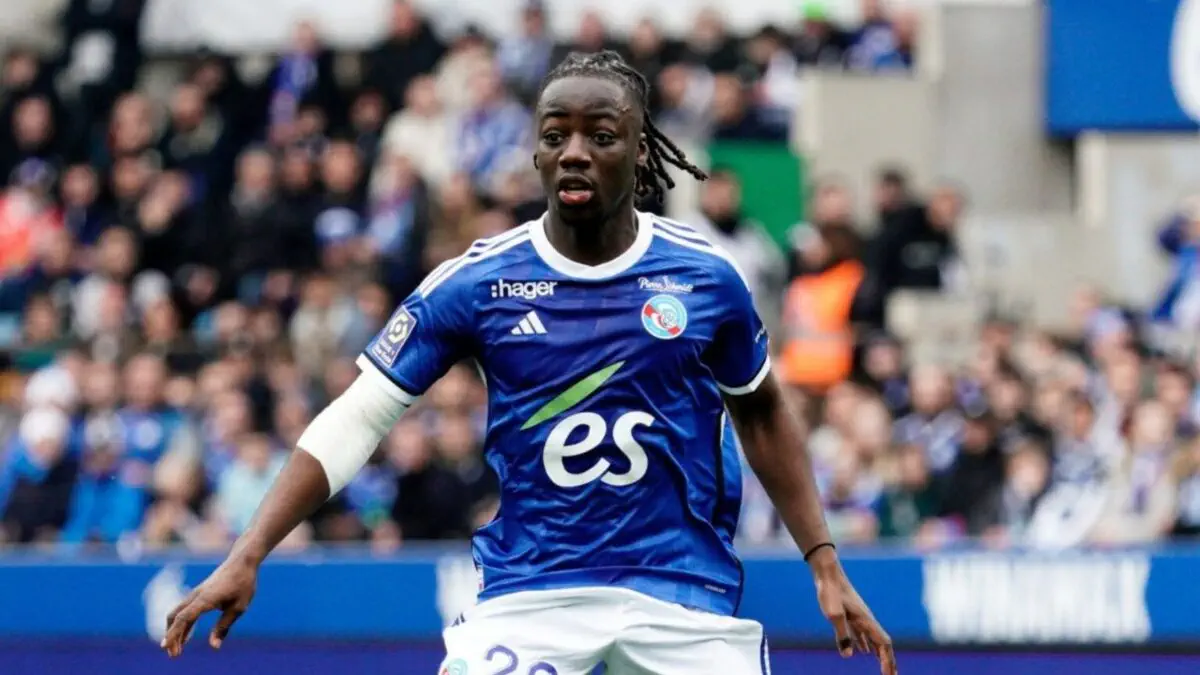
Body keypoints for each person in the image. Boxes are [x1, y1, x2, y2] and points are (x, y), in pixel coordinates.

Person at [160, 51, 896, 675]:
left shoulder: (706, 277)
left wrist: (823, 559)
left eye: (600, 135)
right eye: (555, 135)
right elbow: (359, 415)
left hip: (682, 597)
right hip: (533, 596)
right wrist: (249, 550)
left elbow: (760, 411)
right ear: (537, 153)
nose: (574, 151)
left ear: (641, 152)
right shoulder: (477, 283)